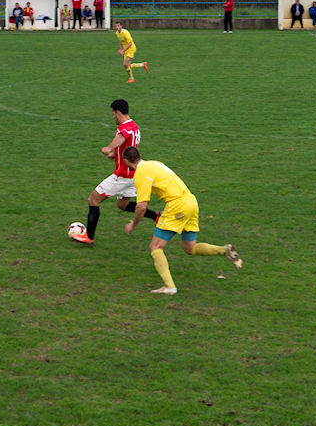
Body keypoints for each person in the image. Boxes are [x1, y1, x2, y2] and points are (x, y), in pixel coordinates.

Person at [121, 147, 242, 295]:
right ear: (140, 156)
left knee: (155, 247)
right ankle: (224, 250)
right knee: (190, 248)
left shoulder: (141, 173)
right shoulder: (154, 164)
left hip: (177, 206)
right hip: (191, 202)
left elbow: (141, 206)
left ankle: (169, 287)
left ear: (126, 161)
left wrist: (133, 224)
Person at [69, 99, 160, 246]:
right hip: (134, 174)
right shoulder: (134, 126)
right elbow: (130, 146)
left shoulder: (124, 128)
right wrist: (116, 155)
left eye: (113, 114)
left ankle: (89, 237)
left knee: (93, 200)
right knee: (123, 205)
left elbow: (121, 138)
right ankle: (155, 215)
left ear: (117, 112)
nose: (113, 117)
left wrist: (109, 148)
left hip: (123, 175)